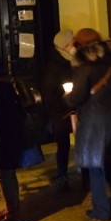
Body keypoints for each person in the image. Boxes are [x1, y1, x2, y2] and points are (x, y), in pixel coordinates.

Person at [63, 28, 111, 221]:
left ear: (81, 45)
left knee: (96, 167)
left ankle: (101, 211)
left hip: (95, 123)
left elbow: (76, 97)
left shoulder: (85, 66)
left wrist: (67, 97)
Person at [0, 76, 45, 221]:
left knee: (4, 173)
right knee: (7, 174)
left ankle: (14, 217)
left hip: (5, 136)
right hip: (14, 133)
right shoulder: (8, 85)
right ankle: (12, 211)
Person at [40, 29, 75, 191]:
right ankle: (62, 176)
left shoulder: (70, 61)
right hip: (61, 113)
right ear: (63, 46)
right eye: (71, 44)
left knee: (78, 142)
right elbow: (49, 94)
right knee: (63, 146)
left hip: (72, 110)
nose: (74, 46)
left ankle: (84, 176)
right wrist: (65, 100)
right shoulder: (54, 67)